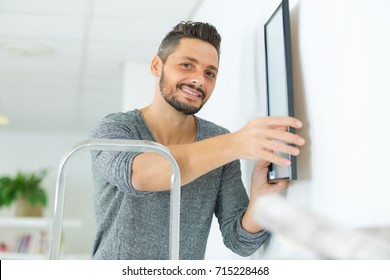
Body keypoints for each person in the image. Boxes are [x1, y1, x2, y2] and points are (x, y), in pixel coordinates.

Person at [89, 21, 305, 260]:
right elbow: (140, 175)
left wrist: (260, 200)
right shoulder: (115, 129)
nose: (199, 80)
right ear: (156, 66)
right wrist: (235, 144)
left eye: (209, 73)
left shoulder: (218, 140)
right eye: (186, 65)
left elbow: (240, 242)